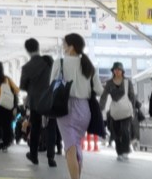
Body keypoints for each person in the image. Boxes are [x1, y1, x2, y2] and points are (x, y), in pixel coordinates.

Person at [52, 33, 103, 179]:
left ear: (71, 47)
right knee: (77, 147)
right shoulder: (88, 65)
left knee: (70, 149)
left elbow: (52, 85)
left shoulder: (59, 63)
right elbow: (99, 90)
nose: (63, 47)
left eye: (64, 44)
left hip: (64, 108)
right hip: (84, 109)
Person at [20, 38, 57, 167]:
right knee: (51, 128)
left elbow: (23, 86)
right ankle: (51, 157)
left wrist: (32, 88)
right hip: (50, 100)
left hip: (35, 102)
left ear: (27, 50)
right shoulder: (48, 62)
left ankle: (34, 156)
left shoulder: (26, 67)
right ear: (38, 47)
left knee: (35, 128)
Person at [102, 62, 139, 161]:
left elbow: (132, 96)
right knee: (116, 132)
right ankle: (119, 152)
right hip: (115, 111)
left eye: (119, 69)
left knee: (125, 130)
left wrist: (133, 108)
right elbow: (104, 96)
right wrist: (101, 108)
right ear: (113, 71)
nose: (117, 71)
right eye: (115, 70)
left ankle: (125, 151)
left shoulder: (127, 82)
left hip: (126, 111)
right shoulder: (109, 83)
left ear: (122, 71)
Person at [0, 61, 20, 152]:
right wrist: (15, 106)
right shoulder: (6, 79)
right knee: (7, 125)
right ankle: (6, 144)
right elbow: (16, 90)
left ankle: (0, 140)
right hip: (7, 105)